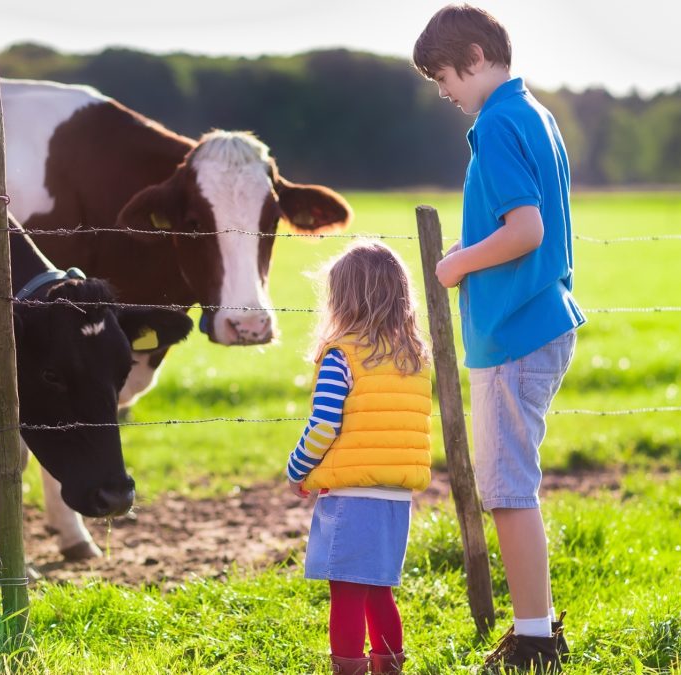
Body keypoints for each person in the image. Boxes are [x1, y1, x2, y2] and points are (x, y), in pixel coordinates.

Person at [413, 4, 586, 672]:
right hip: (534, 318)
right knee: (509, 485)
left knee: (508, 489)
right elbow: (515, 224)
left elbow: (527, 231)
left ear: (477, 55)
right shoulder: (534, 113)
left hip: (516, 327)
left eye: (444, 75)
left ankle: (536, 639)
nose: (442, 90)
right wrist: (473, 247)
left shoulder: (497, 122)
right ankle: (535, 627)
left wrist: (456, 263)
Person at [286, 241, 433, 675]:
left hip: (352, 496)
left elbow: (324, 425)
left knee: (346, 593)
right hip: (396, 496)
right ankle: (390, 667)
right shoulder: (412, 358)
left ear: (341, 300)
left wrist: (297, 469)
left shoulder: (342, 356)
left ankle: (346, 669)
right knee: (378, 590)